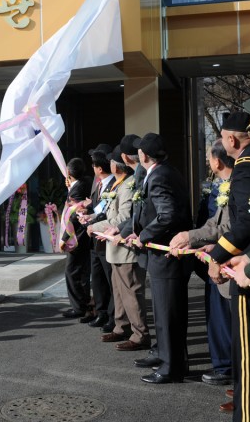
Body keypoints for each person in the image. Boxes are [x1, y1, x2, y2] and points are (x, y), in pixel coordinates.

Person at [125, 133, 193, 384]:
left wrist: (144, 235)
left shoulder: (159, 176)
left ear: (144, 155)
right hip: (166, 255)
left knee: (167, 314)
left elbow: (167, 215)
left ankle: (170, 368)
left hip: (166, 254)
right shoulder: (165, 171)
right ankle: (171, 359)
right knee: (168, 313)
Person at [169, 139, 233, 391]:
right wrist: (195, 238)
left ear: (217, 161)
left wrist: (191, 237)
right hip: (215, 258)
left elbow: (228, 228)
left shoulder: (237, 186)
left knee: (228, 321)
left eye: (208, 158)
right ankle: (225, 367)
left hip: (229, 264)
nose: (207, 162)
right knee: (217, 318)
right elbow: (212, 223)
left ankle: (231, 371)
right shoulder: (219, 185)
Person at [205, 111, 250, 421]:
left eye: (222, 139)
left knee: (246, 360)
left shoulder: (246, 168)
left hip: (246, 270)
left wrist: (217, 256)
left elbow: (247, 223)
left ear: (231, 140)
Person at [89, 146, 150, 351]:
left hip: (126, 248)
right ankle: (121, 326)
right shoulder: (118, 184)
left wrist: (95, 226)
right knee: (118, 291)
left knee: (131, 293)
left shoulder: (129, 185)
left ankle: (140, 334)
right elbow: (107, 211)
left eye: (112, 161)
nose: (110, 165)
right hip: (114, 247)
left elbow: (124, 217)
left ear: (118, 164)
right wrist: (93, 219)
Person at [78, 146, 115, 331]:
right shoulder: (97, 183)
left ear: (99, 168)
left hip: (106, 238)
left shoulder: (114, 183)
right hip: (94, 239)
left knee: (110, 280)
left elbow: (108, 211)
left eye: (93, 164)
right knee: (97, 279)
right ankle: (101, 313)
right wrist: (87, 214)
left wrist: (92, 218)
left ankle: (112, 316)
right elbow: (97, 208)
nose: (92, 168)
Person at [59, 158, 92, 319]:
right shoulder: (85, 182)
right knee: (82, 271)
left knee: (72, 271)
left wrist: (64, 238)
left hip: (77, 237)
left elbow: (73, 216)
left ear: (69, 173)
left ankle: (79, 307)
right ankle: (85, 302)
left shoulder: (77, 190)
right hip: (85, 236)